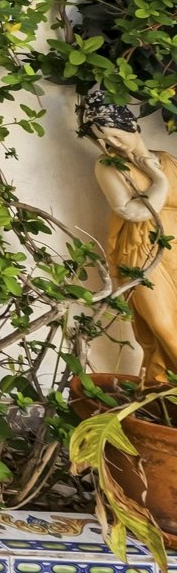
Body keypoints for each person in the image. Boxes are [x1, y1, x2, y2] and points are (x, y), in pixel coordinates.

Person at [82, 90, 177, 382]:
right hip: (140, 250)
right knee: (161, 325)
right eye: (104, 139)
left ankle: (159, 391)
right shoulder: (109, 165)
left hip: (174, 248)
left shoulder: (167, 159)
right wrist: (159, 180)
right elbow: (131, 211)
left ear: (133, 125)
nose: (112, 143)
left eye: (115, 135)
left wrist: (161, 172)